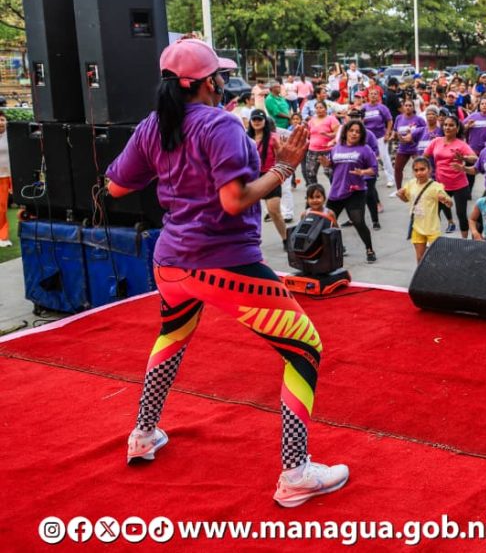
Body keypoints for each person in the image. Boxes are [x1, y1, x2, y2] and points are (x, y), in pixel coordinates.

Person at [104, 37, 347, 507]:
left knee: (172, 336)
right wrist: (284, 168)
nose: (223, 82)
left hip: (170, 261)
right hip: (222, 262)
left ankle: (143, 434)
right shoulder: (220, 125)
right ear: (209, 83)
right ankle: (296, 471)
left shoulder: (153, 126)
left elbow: (115, 186)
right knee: (304, 348)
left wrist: (175, 173)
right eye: (219, 75)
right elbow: (234, 200)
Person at [320, 120, 378, 263]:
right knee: (327, 221)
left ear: (361, 135)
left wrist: (362, 172)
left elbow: (374, 169)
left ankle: (369, 249)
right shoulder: (336, 148)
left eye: (358, 132)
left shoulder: (365, 149)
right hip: (337, 190)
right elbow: (332, 165)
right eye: (351, 130)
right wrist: (326, 163)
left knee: (358, 221)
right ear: (345, 132)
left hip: (355, 191)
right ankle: (339, 246)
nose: (354, 134)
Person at [424, 116, 477, 238]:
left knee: (461, 214)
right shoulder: (436, 141)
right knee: (434, 212)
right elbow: (424, 157)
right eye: (446, 125)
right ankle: (434, 239)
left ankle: (464, 240)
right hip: (441, 185)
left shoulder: (461, 144)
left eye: (451, 125)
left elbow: (475, 158)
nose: (447, 127)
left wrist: (463, 158)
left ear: (457, 129)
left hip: (459, 185)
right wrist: (427, 172)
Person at [246, 110, 289, 249]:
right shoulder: (245, 138)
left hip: (270, 176)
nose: (257, 122)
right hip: (252, 177)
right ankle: (252, 241)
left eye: (259, 119)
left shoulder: (273, 138)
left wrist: (281, 173)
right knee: (250, 213)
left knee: (274, 211)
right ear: (250, 121)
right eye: (254, 119)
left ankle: (286, 239)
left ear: (265, 121)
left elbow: (281, 158)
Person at [397, 156, 453, 263]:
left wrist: (445, 200)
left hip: (432, 229)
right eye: (416, 170)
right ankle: (421, 274)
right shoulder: (410, 184)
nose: (419, 173)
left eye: (422, 169)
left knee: (436, 259)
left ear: (430, 170)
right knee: (420, 258)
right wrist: (401, 195)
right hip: (417, 227)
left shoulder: (436, 186)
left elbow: (450, 204)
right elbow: (406, 200)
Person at [389, 98, 426, 188]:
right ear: (403, 107)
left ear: (413, 107)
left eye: (410, 105)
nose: (408, 107)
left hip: (415, 148)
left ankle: (423, 188)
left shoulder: (419, 119)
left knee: (421, 169)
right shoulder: (399, 118)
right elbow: (395, 130)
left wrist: (414, 138)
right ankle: (399, 189)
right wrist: (393, 136)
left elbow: (426, 131)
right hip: (403, 148)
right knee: (397, 169)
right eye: (406, 105)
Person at [0, 114, 9, 247]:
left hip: (9, 176)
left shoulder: (11, 136)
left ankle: (3, 236)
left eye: (2, 120)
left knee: (1, 208)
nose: (0, 123)